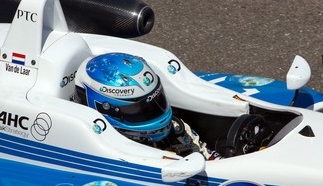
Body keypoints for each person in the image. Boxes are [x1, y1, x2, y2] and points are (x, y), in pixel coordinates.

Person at [75, 52, 220, 160]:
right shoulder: (93, 154)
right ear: (103, 108)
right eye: (140, 110)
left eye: (157, 101)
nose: (155, 113)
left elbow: (212, 163)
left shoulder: (176, 130)